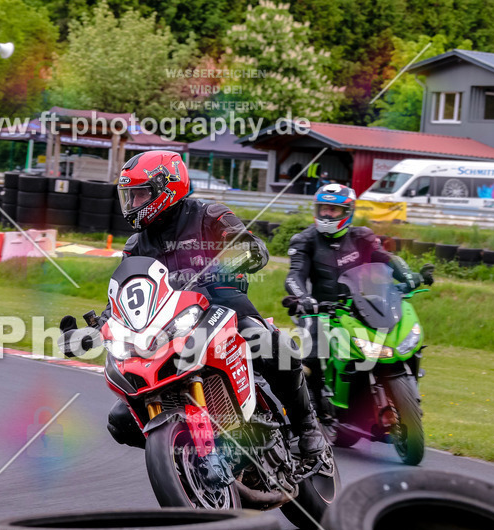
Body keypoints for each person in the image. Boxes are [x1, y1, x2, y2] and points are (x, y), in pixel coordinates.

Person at [89, 150, 327, 461]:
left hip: (223, 303)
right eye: (130, 197)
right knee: (120, 420)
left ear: (167, 187)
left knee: (269, 343)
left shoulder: (209, 215)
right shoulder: (136, 245)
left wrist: (235, 257)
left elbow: (251, 247)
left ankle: (307, 425)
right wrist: (98, 325)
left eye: (140, 195)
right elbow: (126, 294)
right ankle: (182, 455)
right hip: (168, 324)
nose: (133, 205)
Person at [283, 183, 423, 420]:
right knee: (313, 351)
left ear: (348, 212)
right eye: (323, 209)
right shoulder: (304, 240)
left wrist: (407, 276)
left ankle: (404, 393)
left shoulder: (362, 236)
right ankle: (315, 407)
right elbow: (294, 275)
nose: (327, 214)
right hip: (320, 309)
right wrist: (303, 299)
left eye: (334, 210)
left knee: (402, 340)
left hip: (360, 305)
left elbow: (385, 259)